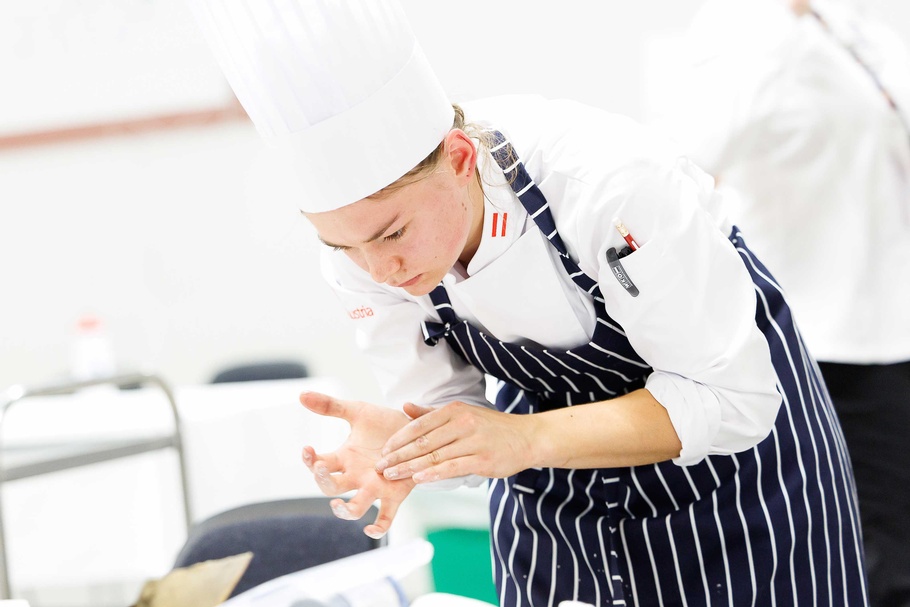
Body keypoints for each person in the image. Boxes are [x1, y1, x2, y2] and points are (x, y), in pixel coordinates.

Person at [187, 0, 868, 604]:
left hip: (737, 496)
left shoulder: (607, 182)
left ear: (459, 159)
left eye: (392, 233)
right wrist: (411, 445)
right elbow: (464, 414)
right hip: (556, 501)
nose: (379, 268)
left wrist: (524, 437)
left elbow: (734, 398)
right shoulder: (362, 250)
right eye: (343, 247)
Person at [666, 0, 910, 604]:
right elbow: (684, 169)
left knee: (896, 545)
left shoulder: (848, 25)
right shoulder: (743, 33)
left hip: (888, 327)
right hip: (810, 339)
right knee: (836, 548)